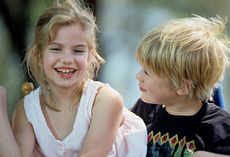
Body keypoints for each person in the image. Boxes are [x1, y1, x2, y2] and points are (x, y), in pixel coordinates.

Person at [7, 0, 147, 156]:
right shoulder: (27, 110)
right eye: (56, 49)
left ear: (91, 56)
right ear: (38, 54)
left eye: (78, 51)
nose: (67, 59)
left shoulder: (104, 100)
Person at [131, 15, 230, 157]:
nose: (138, 76)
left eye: (147, 73)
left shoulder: (220, 127)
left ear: (181, 86)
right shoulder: (146, 108)